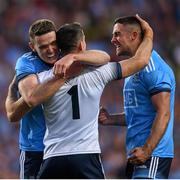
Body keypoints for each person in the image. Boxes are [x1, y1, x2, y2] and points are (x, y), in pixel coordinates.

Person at [22, 15, 153, 178]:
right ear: (82, 44)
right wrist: (148, 34)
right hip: (86, 156)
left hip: (53, 158)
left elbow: (29, 99)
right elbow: (141, 60)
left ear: (59, 48)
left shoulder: (43, 78)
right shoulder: (99, 73)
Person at [5, 19, 111, 179]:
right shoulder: (27, 62)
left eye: (53, 43)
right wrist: (66, 75)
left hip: (63, 148)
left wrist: (73, 57)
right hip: (36, 148)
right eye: (43, 47)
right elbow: (31, 98)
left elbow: (104, 57)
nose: (50, 50)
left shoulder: (67, 56)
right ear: (32, 47)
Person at [99, 16, 175, 179]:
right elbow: (140, 114)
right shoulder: (133, 69)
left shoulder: (153, 68)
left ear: (134, 35)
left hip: (153, 154)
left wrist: (147, 150)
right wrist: (110, 119)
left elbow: (164, 113)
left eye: (117, 34)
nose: (113, 40)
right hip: (136, 154)